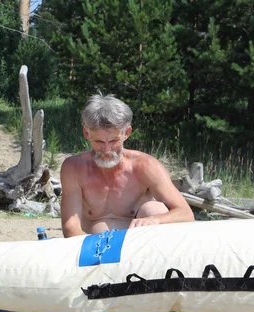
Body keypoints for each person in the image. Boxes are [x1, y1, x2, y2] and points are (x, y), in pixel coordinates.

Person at [60, 93, 195, 238]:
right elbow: (70, 227)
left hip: (142, 240)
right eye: (99, 142)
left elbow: (186, 214)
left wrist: (154, 220)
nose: (106, 150)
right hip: (98, 246)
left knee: (155, 209)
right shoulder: (74, 168)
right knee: (99, 229)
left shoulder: (145, 166)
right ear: (87, 134)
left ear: (127, 133)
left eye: (113, 141)